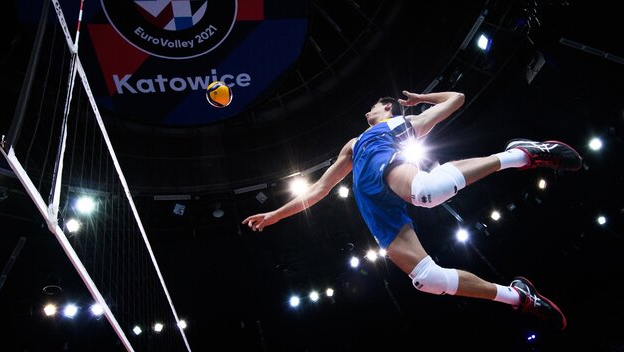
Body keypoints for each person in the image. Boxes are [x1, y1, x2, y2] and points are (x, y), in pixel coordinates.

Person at [242, 90, 582, 330]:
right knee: (428, 280)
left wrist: (421, 100)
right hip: (375, 208)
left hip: (391, 174)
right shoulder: (352, 144)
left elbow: (457, 99)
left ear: (388, 108)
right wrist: (274, 216)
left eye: (372, 107)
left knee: (429, 191)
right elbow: (319, 189)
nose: (366, 113)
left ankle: (522, 155)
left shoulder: (400, 124)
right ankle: (518, 297)